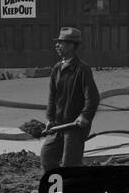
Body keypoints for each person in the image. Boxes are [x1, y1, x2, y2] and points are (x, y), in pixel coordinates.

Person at [40, 27, 100, 171]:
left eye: (61, 43)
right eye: (58, 42)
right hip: (58, 124)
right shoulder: (57, 69)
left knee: (70, 163)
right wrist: (50, 118)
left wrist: (85, 116)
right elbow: (52, 96)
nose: (57, 45)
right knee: (47, 156)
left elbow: (93, 97)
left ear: (72, 46)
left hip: (74, 127)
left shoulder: (82, 69)